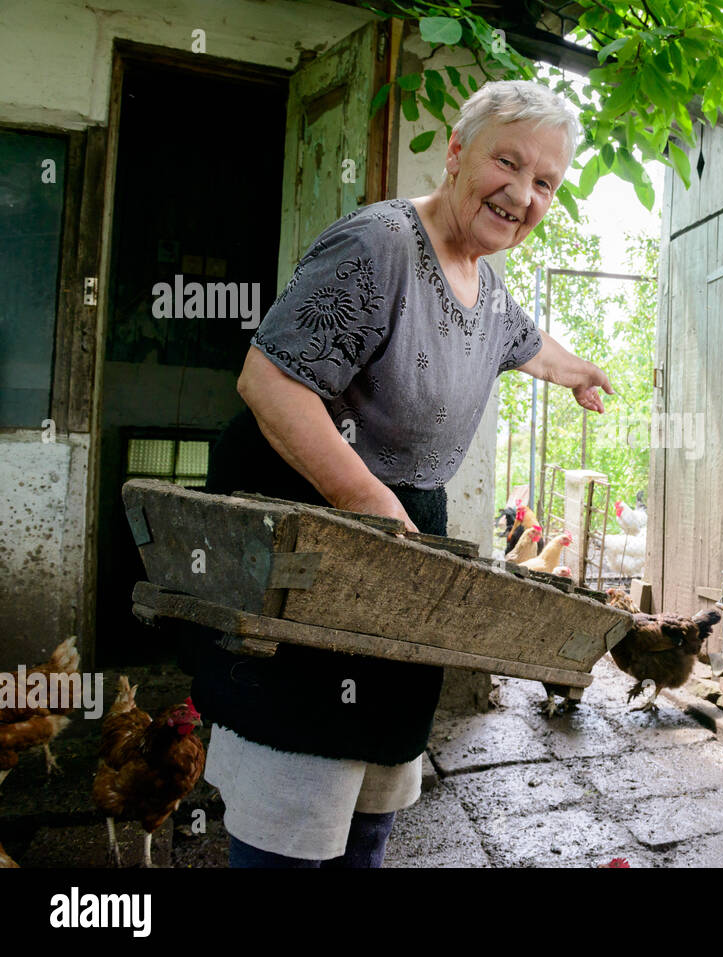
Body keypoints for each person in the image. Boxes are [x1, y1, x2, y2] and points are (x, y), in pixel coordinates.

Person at [187, 80, 613, 868]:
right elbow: (268, 379)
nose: (522, 194)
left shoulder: (488, 283)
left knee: (373, 794)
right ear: (456, 154)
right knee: (297, 797)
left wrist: (576, 370)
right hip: (317, 528)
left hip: (401, 538)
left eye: (544, 182)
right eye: (507, 163)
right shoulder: (381, 244)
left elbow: (523, 343)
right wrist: (366, 501)